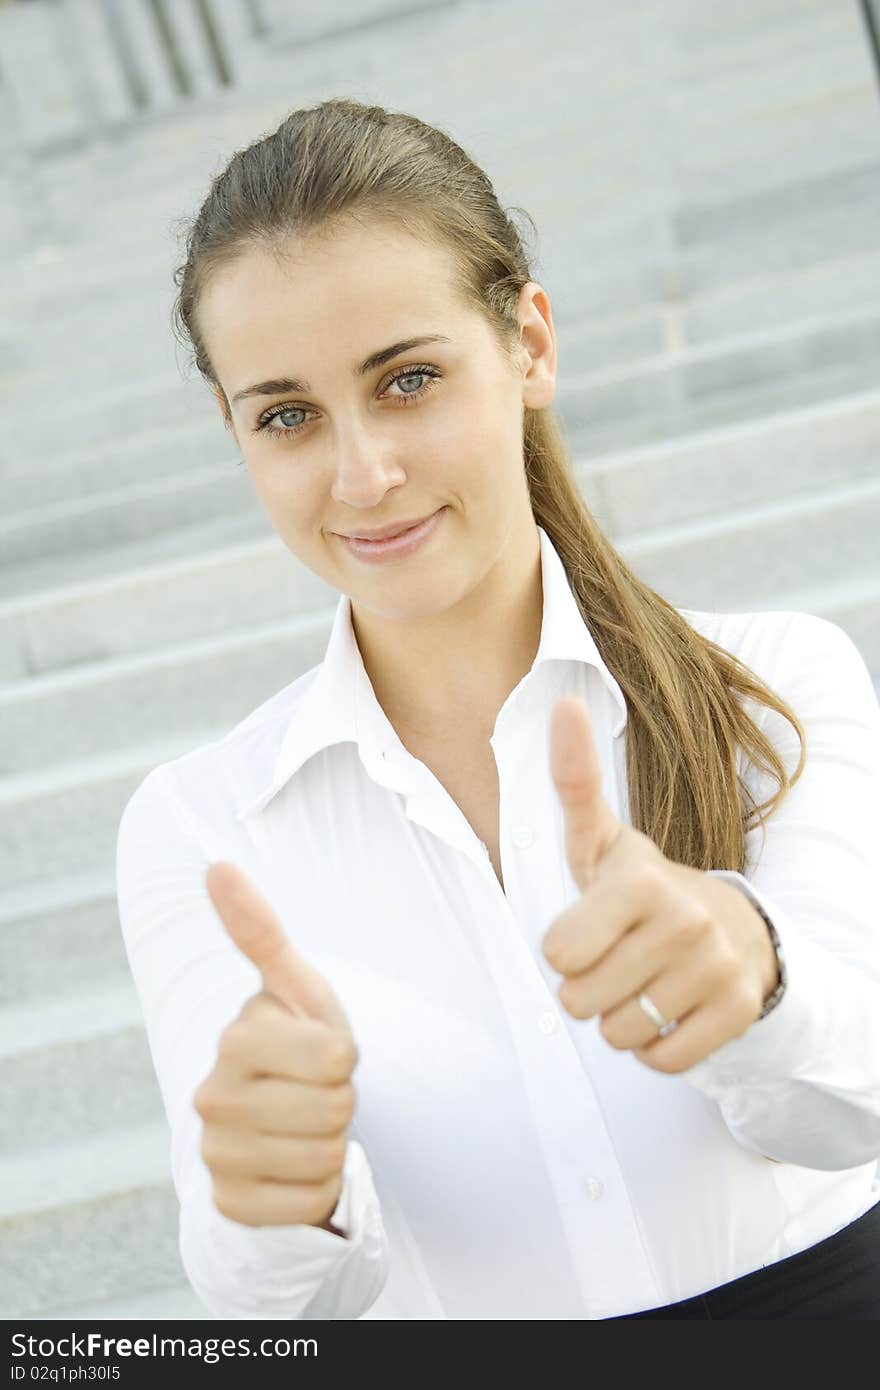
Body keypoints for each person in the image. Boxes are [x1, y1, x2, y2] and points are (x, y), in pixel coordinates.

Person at [115, 98, 880, 1320]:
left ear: (528, 343)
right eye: (287, 415)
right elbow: (265, 1303)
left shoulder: (777, 689)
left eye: (407, 379)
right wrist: (274, 1189)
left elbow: (853, 1108)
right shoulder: (203, 827)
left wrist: (755, 970)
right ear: (235, 432)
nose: (362, 474)